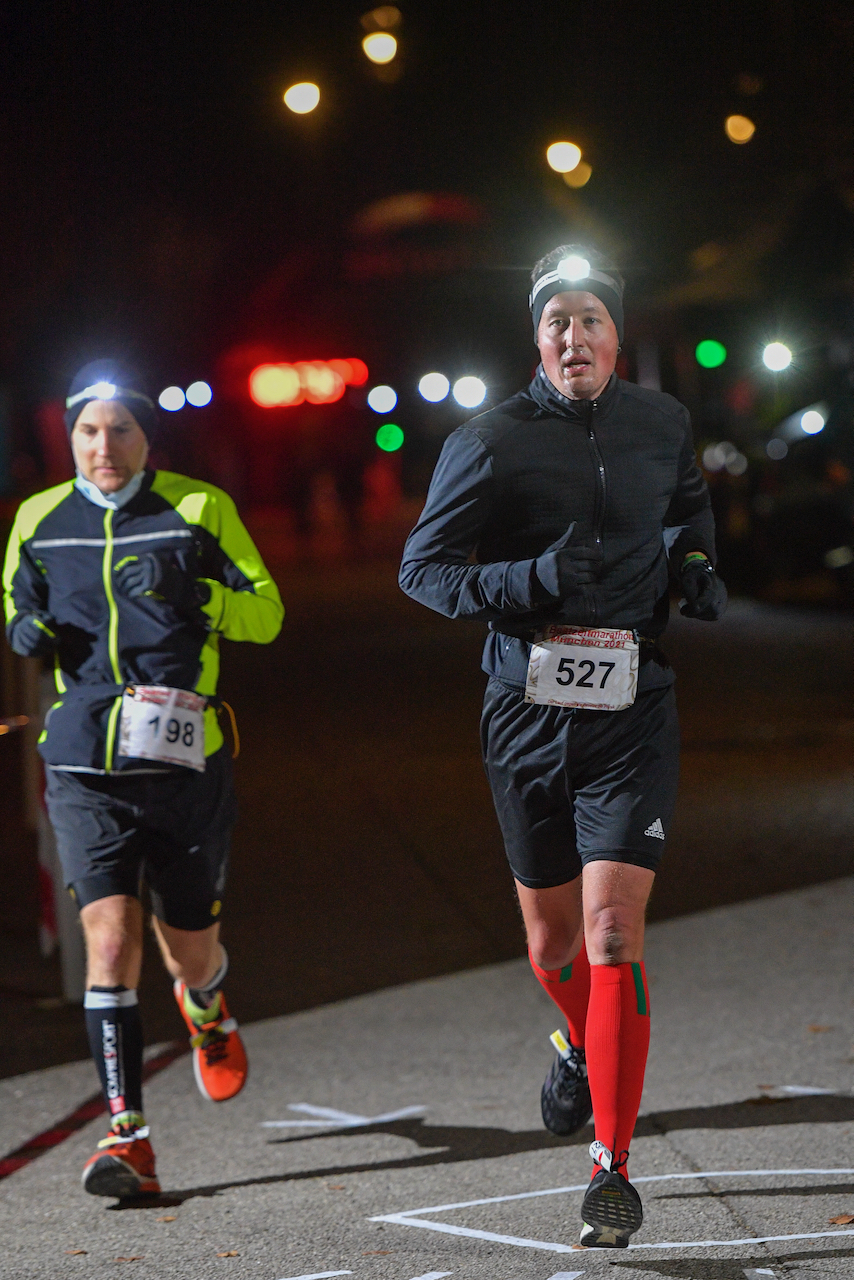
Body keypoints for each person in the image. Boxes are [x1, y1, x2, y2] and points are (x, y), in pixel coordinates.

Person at [399, 246, 726, 1247]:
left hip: (633, 703)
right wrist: (531, 578)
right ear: (533, 337)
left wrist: (700, 560)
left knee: (611, 935)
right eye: (555, 322)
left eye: (590, 319)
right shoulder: (489, 439)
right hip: (526, 710)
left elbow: (684, 505)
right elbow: (424, 570)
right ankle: (581, 1047)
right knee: (551, 946)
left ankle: (609, 1166)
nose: (573, 337)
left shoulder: (661, 422)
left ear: (613, 332)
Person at [3, 360, 284, 1199]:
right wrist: (23, 626)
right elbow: (13, 604)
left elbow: (265, 614)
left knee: (188, 948)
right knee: (111, 943)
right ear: (68, 434)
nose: (103, 445)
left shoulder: (198, 510)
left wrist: (199, 595)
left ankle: (207, 1004)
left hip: (181, 759)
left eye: (120, 428)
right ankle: (129, 1138)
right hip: (85, 764)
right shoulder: (39, 519)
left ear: (147, 437)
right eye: (88, 429)